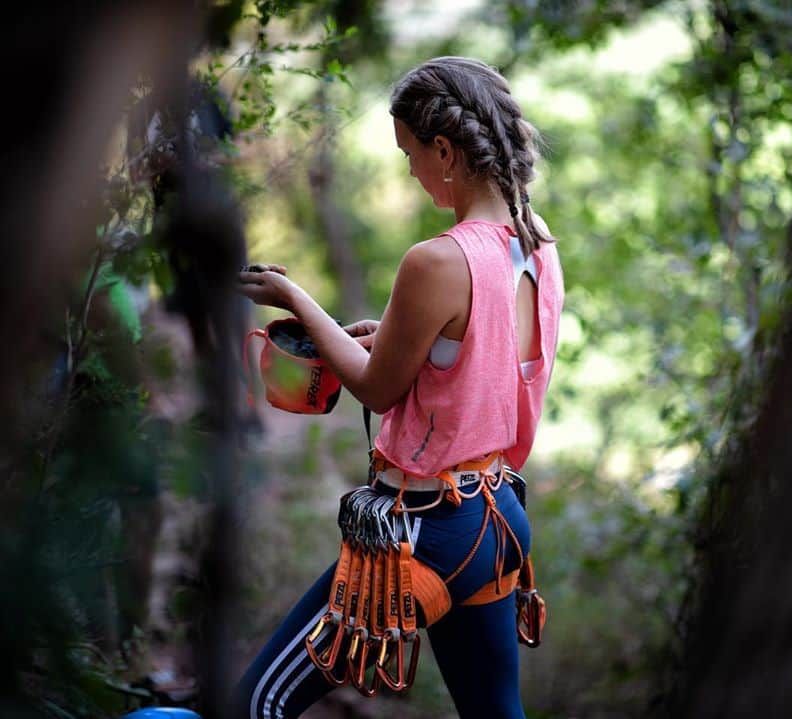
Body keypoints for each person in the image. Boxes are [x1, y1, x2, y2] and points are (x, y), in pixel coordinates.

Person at [233, 56, 564, 719]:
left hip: (423, 531)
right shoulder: (536, 244)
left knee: (255, 702)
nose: (409, 170)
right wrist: (385, 331)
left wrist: (293, 296)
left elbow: (378, 388)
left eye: (409, 152)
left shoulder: (436, 259)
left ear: (444, 149)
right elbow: (476, 353)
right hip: (496, 518)